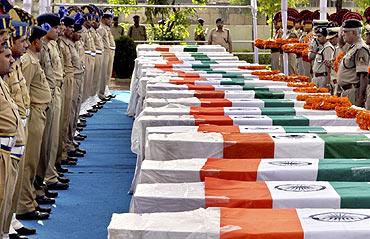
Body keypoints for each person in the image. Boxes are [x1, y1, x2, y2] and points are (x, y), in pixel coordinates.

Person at [337, 19, 370, 107]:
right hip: (347, 92)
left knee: (350, 120)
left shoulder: (361, 49)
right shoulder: (352, 47)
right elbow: (341, 45)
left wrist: (360, 99)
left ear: (354, 33)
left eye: (345, 32)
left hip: (353, 93)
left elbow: (363, 76)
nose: (343, 34)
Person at [97, 8, 116, 101]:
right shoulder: (101, 28)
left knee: (108, 73)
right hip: (104, 53)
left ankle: (106, 89)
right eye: (109, 18)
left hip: (109, 52)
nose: (111, 20)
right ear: (104, 19)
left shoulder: (107, 28)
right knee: (103, 73)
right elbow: (98, 42)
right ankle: (101, 93)